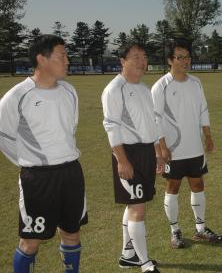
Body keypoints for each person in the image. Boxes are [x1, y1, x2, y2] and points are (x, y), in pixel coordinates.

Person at [0, 35, 88, 273]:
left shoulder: (70, 91)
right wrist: (29, 161)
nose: (68, 60)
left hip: (71, 172)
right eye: (62, 55)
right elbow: (3, 135)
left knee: (72, 233)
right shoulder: (18, 96)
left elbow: (71, 128)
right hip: (38, 179)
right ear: (42, 58)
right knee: (30, 241)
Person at [151, 39, 222, 249]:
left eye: (187, 57)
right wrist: (162, 147)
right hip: (173, 149)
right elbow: (156, 119)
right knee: (172, 186)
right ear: (170, 60)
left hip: (195, 147)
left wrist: (207, 136)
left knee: (198, 184)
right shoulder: (160, 86)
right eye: (180, 57)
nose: (185, 61)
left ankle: (200, 229)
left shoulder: (196, 82)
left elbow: (203, 110)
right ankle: (175, 231)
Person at [101, 43, 163, 273]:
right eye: (135, 57)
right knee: (138, 208)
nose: (141, 61)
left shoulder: (144, 89)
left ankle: (128, 255)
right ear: (122, 61)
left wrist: (157, 152)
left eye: (144, 56)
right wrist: (122, 160)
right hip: (128, 153)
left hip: (146, 152)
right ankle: (144, 263)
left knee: (135, 204)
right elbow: (111, 126)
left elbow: (151, 124)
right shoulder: (114, 89)